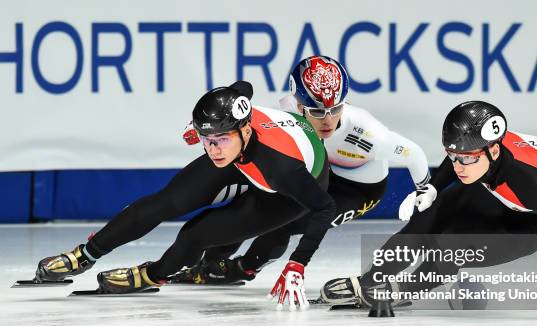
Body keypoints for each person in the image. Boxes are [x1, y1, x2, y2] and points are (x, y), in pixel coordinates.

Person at [35, 81, 335, 310]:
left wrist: (298, 263)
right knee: (167, 202)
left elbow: (324, 208)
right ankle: (87, 254)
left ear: (244, 130)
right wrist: (205, 130)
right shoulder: (230, 131)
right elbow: (242, 88)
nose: (213, 149)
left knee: (196, 235)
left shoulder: (281, 168)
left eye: (220, 140)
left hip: (287, 194)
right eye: (207, 140)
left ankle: (152, 275)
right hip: (245, 156)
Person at [172, 55, 432, 286]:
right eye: (318, 112)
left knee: (284, 223)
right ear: (298, 106)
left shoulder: (367, 133)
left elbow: (415, 154)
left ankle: (244, 268)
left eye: (336, 108)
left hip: (358, 189)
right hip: (321, 173)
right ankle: (212, 262)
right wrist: (199, 128)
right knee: (257, 205)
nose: (328, 120)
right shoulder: (287, 109)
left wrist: (424, 191)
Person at [323, 101, 537, 319]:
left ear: (494, 151)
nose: (457, 165)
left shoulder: (532, 183)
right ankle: (372, 279)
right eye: (452, 155)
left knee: (450, 248)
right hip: (493, 184)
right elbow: (459, 155)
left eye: (465, 158)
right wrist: (432, 188)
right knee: (427, 217)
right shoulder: (476, 153)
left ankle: (404, 288)